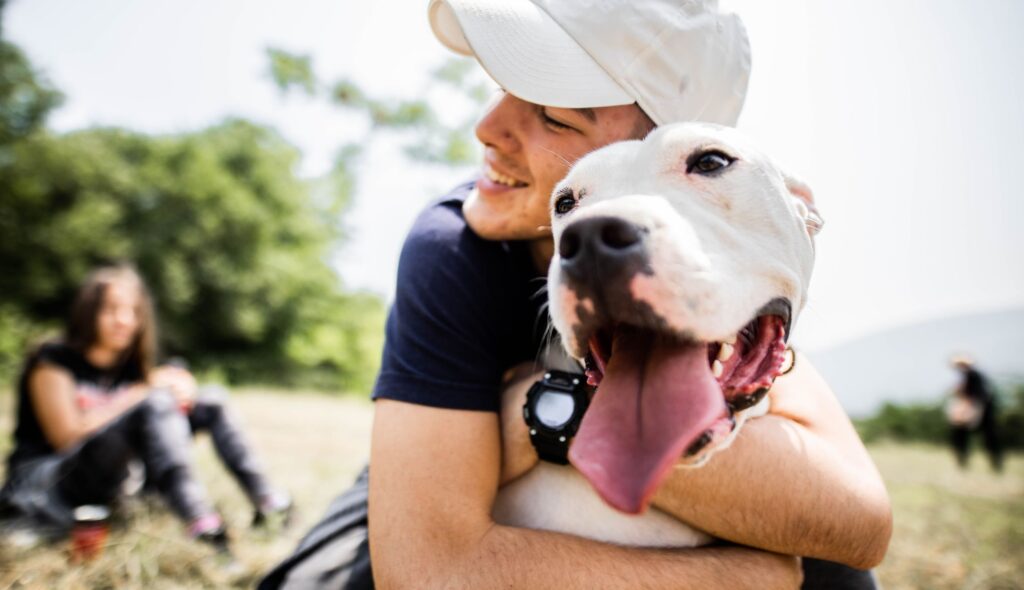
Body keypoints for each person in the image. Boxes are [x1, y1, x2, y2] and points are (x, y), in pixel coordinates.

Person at [260, 1, 892, 588]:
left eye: (555, 114)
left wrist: (530, 410)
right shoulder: (451, 246)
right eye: (502, 86)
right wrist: (748, 579)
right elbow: (426, 565)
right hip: (415, 477)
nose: (486, 127)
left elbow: (860, 524)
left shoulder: (733, 267)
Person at [0, 265, 291, 550]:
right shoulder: (53, 360)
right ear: (88, 312)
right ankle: (201, 522)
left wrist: (183, 394)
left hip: (114, 480)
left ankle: (269, 503)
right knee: (153, 403)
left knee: (212, 400)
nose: (124, 320)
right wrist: (144, 392)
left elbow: (154, 414)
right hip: (50, 483)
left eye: (134, 311)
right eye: (111, 309)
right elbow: (66, 437)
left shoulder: (131, 366)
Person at [947, 355, 1003, 472]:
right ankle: (963, 463)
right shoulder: (966, 377)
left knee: (989, 438)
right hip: (970, 411)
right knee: (960, 437)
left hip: (980, 411)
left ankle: (995, 464)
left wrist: (967, 410)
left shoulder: (974, 375)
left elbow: (978, 396)